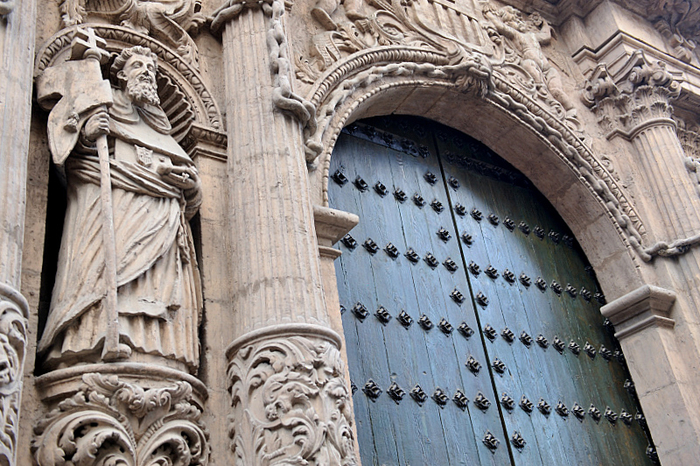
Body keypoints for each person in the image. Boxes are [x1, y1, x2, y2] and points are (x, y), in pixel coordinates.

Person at [38, 46, 202, 373]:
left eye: (150, 67)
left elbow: (192, 199)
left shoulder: (162, 129)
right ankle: (94, 339)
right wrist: (87, 134)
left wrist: (188, 186)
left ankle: (163, 348)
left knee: (158, 287)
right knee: (104, 273)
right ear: (122, 74)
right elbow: (69, 159)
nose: (144, 71)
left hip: (163, 227)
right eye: (137, 64)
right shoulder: (103, 107)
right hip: (112, 216)